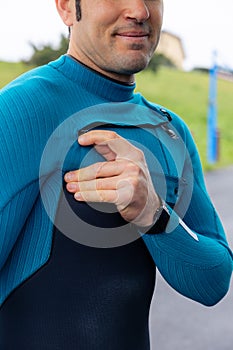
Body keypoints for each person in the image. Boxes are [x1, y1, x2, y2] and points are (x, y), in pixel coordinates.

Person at [0, 0, 232, 349]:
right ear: (66, 7)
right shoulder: (18, 112)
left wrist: (153, 214)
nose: (139, 11)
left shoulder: (168, 131)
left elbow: (214, 280)